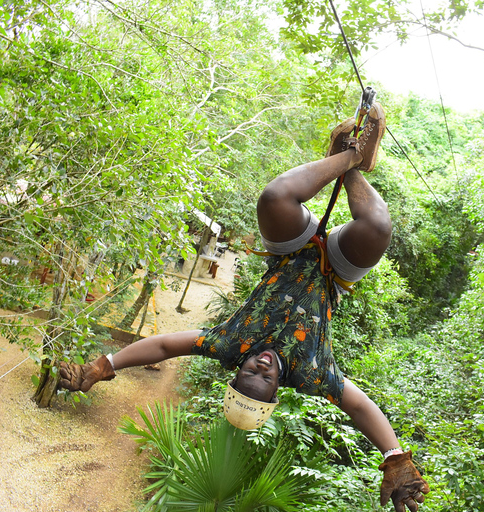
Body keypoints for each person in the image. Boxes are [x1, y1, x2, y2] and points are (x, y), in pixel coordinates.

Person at [58, 103, 430, 512]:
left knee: (274, 198)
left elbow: (164, 347)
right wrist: (394, 457)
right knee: (377, 228)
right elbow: (360, 406)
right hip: (334, 271)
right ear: (275, 392)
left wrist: (103, 366)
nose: (263, 366)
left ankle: (345, 157)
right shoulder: (312, 375)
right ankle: (354, 164)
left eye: (250, 371)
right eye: (266, 377)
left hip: (287, 252)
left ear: (238, 369)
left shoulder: (229, 344)